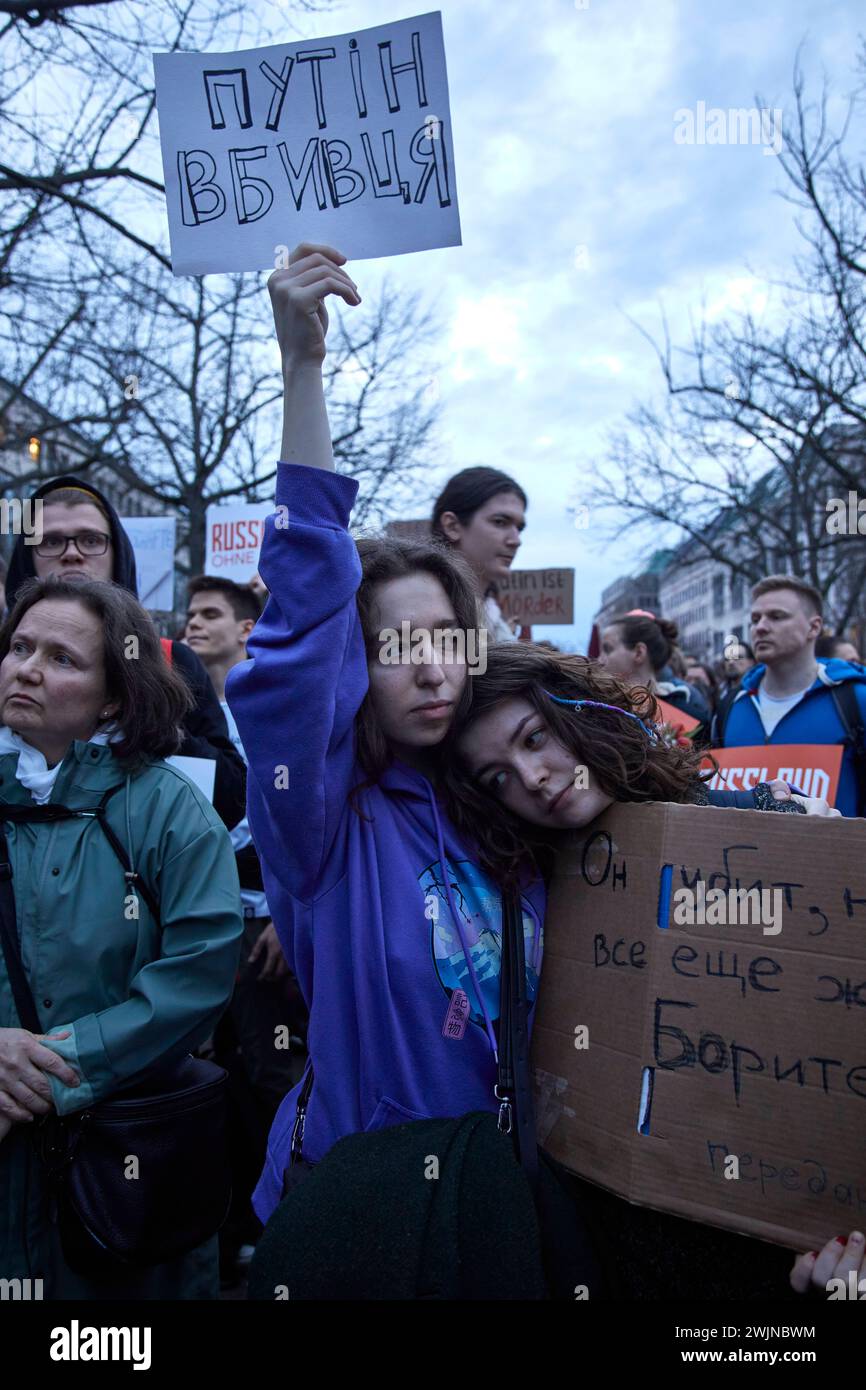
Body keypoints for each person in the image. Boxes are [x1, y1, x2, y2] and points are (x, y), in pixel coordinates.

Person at [225, 245, 559, 1276]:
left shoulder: (502, 806)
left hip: (500, 1211)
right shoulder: (318, 817)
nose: (427, 669)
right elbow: (301, 620)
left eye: (444, 640)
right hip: (364, 1213)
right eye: (391, 645)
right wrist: (303, 372)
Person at [443, 639, 853, 1300]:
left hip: (766, 1241)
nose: (534, 778)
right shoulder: (517, 899)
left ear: (582, 714)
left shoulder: (761, 834)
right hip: (605, 1241)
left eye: (535, 738)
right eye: (497, 776)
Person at [0, 575, 243, 1299]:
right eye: (18, 646)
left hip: (122, 1175)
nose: (28, 669)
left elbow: (197, 978)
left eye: (62, 658)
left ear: (113, 696)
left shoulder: (172, 811)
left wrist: (53, 1069)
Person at [184, 574, 307, 1285]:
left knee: (271, 1073)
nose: (195, 625)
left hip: (266, 927)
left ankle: (279, 1226)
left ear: (246, 628)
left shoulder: (269, 704)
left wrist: (288, 912)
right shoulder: (180, 704)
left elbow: (290, 818)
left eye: (210, 614)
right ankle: (222, 1221)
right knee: (208, 1074)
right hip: (206, 927)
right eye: (190, 614)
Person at [4, 477, 247, 829]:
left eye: (91, 540)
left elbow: (229, 801)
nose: (72, 553)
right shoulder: (4, 665)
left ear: (118, 552)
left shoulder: (170, 661)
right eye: (51, 541)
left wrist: (159, 729)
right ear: (27, 556)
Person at [713, 576, 866, 817]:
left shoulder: (855, 700)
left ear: (813, 627)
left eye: (776, 616)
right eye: (755, 619)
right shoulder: (731, 706)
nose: (760, 627)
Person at [430, 466, 527, 641]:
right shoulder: (417, 614)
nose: (516, 540)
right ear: (452, 526)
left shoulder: (495, 624)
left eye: (519, 528)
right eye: (500, 522)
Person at [597, 611, 711, 738]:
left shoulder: (687, 711)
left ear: (639, 653)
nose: (599, 660)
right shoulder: (595, 709)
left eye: (608, 649)